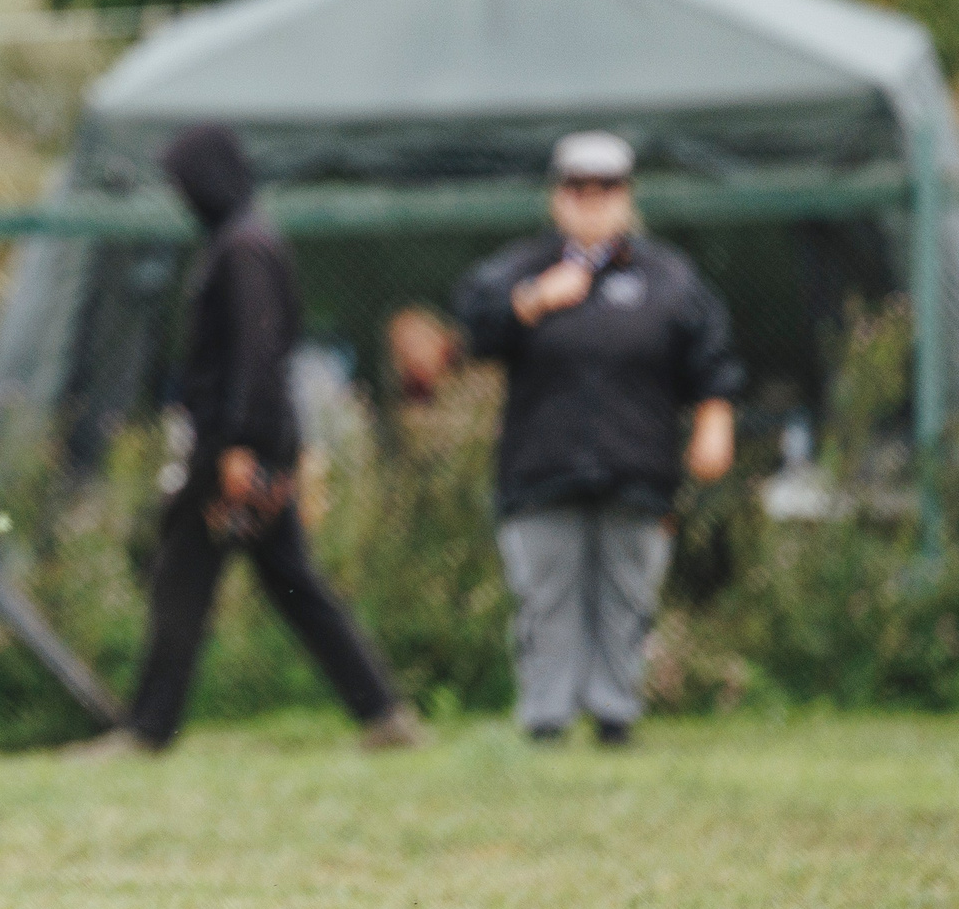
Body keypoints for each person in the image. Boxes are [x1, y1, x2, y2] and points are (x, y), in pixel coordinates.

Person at [100, 123, 422, 755]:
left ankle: (147, 731)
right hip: (239, 447)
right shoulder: (242, 239)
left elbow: (256, 355)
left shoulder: (243, 248)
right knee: (280, 583)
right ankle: (383, 713)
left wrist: (241, 449)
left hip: (233, 451)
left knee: (187, 583)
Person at [455, 131, 742, 746]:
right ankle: (547, 719)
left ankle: (616, 716)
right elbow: (470, 329)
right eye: (576, 188)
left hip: (637, 464)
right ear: (556, 196)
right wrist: (532, 303)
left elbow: (712, 361)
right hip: (542, 465)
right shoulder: (522, 270)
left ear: (627, 196)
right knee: (545, 598)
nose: (590, 200)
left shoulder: (668, 277)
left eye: (605, 188)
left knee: (629, 595)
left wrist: (715, 422)